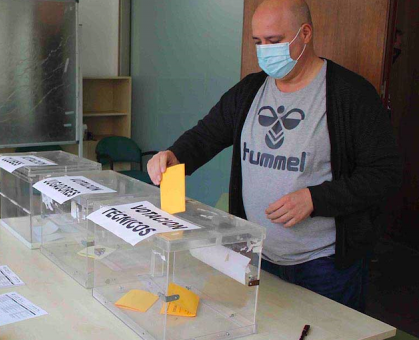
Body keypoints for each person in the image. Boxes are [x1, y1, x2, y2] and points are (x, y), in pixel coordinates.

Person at [147, 0, 402, 311]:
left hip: (325, 264)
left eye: (274, 41)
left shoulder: (350, 94)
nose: (265, 50)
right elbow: (206, 135)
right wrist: (175, 154)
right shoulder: (250, 91)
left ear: (305, 33)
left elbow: (385, 173)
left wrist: (315, 199)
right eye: (258, 42)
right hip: (259, 254)